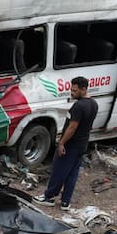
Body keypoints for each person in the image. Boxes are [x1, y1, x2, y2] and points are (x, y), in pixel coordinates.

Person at [34, 76, 98, 209]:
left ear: (83, 89)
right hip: (82, 144)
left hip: (71, 145)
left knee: (59, 171)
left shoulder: (78, 106)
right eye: (71, 90)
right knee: (72, 173)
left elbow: (72, 127)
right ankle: (65, 202)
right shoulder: (94, 104)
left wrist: (62, 143)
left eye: (75, 90)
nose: (72, 93)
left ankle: (49, 197)